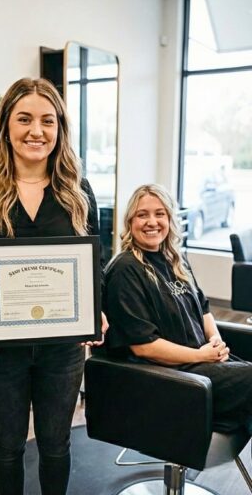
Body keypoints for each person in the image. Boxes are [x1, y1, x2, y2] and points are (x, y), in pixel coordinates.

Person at [0, 77, 103, 495]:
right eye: (24, 119)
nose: (36, 131)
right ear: (6, 126)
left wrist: (95, 308)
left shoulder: (78, 192)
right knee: (7, 446)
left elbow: (93, 264)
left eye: (48, 121)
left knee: (55, 444)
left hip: (62, 348)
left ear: (60, 128)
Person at [103, 184, 252, 433]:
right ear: (130, 222)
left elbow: (203, 309)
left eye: (160, 213)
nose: (152, 222)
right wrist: (201, 356)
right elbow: (143, 346)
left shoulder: (174, 259)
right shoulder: (125, 270)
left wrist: (215, 342)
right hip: (169, 380)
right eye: (142, 215)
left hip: (202, 368)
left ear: (170, 219)